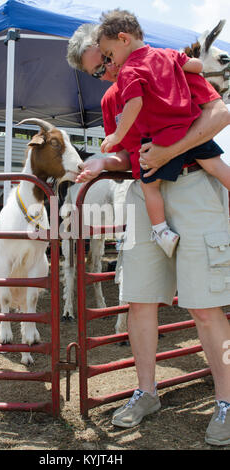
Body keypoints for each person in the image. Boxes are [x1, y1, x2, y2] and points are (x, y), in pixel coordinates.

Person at [67, 23, 230, 446]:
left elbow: (219, 114)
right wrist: (105, 163)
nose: (106, 72)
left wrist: (168, 151)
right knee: (139, 297)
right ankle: (146, 392)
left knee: (205, 304)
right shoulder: (111, 96)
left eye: (104, 61)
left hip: (194, 185)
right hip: (144, 191)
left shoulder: (163, 64)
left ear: (114, 46)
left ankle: (227, 403)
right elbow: (124, 154)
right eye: (96, 71)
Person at [97, 9, 230, 258]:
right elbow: (197, 65)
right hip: (189, 126)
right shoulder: (166, 54)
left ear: (124, 39)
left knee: (150, 188)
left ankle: (161, 232)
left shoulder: (129, 71)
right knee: (216, 167)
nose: (112, 62)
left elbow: (134, 104)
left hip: (160, 137)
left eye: (110, 54)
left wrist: (116, 136)